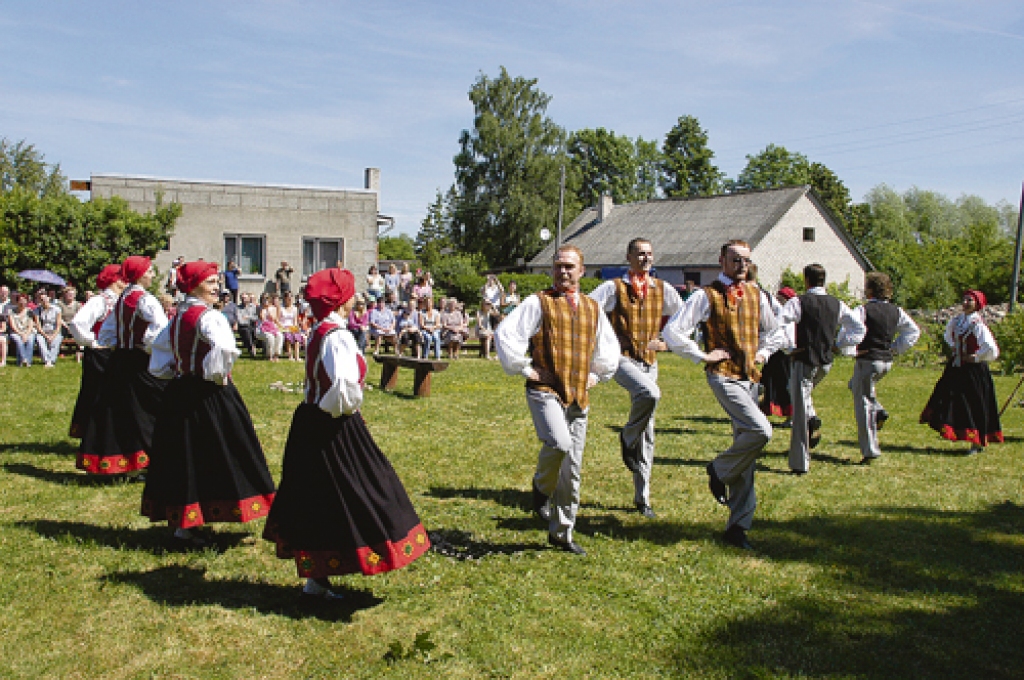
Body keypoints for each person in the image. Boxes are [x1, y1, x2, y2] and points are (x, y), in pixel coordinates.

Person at [263, 267, 430, 600]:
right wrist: (345, 413)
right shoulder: (336, 335)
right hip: (332, 423)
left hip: (312, 421)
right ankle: (340, 564)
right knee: (361, 490)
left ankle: (318, 577)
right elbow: (343, 385)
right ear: (342, 299)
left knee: (321, 498)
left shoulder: (321, 330)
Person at [496, 245, 619, 556]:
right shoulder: (539, 302)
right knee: (560, 444)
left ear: (582, 270)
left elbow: (608, 348)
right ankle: (541, 487)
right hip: (545, 391)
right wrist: (525, 368)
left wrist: (598, 374)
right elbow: (507, 334)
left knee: (572, 469)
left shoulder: (592, 308)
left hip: (579, 394)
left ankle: (562, 533)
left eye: (569, 267)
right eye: (558, 266)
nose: (563, 272)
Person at [143, 261, 276, 548]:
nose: (217, 287)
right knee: (221, 452)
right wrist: (213, 374)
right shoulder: (209, 317)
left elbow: (160, 354)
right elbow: (226, 349)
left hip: (180, 394)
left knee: (184, 458)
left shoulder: (178, 318)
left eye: (217, 282)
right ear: (193, 285)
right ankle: (203, 516)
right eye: (211, 282)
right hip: (209, 394)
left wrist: (177, 372)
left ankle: (185, 526)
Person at [663, 239, 783, 550]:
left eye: (745, 260)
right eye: (735, 259)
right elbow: (674, 331)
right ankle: (718, 469)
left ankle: (738, 526)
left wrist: (764, 354)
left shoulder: (757, 294)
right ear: (722, 261)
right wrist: (701, 356)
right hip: (724, 377)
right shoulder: (708, 295)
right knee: (761, 431)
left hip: (750, 377)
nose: (741, 265)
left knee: (747, 449)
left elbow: (775, 331)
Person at [589, 237, 684, 518]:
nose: (646, 259)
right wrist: (603, 342)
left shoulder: (662, 289)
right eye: (640, 254)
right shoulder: (614, 287)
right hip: (622, 359)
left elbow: (684, 318)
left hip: (649, 362)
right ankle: (627, 436)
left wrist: (667, 342)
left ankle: (643, 497)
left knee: (649, 430)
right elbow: (587, 310)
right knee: (650, 395)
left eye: (650, 254)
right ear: (628, 257)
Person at [77, 256, 169, 476]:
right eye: (149, 272)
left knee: (122, 410)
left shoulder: (123, 298)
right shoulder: (145, 299)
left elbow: (108, 330)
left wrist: (107, 344)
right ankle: (151, 460)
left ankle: (128, 461)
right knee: (150, 409)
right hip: (139, 361)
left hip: (121, 359)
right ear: (139, 274)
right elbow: (160, 331)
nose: (152, 275)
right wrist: (148, 348)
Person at [776, 264, 865, 474]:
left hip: (804, 358)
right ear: (823, 280)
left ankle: (800, 462)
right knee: (801, 394)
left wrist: (789, 348)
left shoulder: (798, 302)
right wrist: (840, 344)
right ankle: (811, 417)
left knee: (798, 408)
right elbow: (858, 328)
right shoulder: (837, 304)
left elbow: (779, 324)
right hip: (826, 361)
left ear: (806, 279)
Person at [847, 272, 920, 464]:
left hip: (869, 359)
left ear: (870, 289)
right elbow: (913, 332)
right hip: (885, 361)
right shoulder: (897, 311)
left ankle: (870, 450)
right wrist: (894, 348)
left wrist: (851, 350)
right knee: (855, 385)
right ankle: (878, 411)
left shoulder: (863, 310)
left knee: (863, 405)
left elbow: (849, 329)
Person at [920, 290, 1003, 453]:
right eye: (964, 299)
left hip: (974, 371)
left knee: (974, 403)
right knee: (946, 396)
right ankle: (953, 429)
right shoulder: (958, 321)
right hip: (957, 367)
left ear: (977, 304)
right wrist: (954, 347)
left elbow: (991, 349)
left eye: (969, 300)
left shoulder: (978, 325)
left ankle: (977, 442)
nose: (965, 302)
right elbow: (948, 336)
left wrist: (976, 357)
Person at [68, 265, 125, 438]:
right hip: (100, 355)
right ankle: (93, 433)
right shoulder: (100, 301)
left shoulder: (118, 300)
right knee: (96, 394)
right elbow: (77, 323)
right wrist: (92, 342)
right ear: (115, 280)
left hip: (112, 354)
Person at [759, 287, 798, 424]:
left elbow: (788, 336)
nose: (778, 300)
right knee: (767, 381)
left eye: (781, 298)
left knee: (784, 384)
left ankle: (792, 415)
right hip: (774, 353)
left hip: (784, 353)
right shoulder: (778, 314)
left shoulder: (788, 316)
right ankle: (765, 409)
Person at [34, 291, 63, 368]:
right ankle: (47, 360)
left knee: (56, 340)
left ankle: (51, 360)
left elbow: (58, 325)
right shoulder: (37, 310)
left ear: (49, 298)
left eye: (45, 299)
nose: (44, 301)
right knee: (40, 340)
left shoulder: (57, 309)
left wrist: (53, 336)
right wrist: (46, 336)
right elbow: (38, 326)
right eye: (41, 299)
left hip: (54, 332)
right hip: (43, 332)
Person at [8, 294, 37, 367]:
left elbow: (31, 324)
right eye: (20, 300)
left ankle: (26, 362)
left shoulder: (30, 311)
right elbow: (13, 325)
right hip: (16, 332)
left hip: (28, 331)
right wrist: (21, 334)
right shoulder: (11, 311)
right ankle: (24, 359)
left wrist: (26, 334)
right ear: (17, 301)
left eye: (24, 300)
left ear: (27, 302)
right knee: (18, 340)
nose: (22, 302)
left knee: (30, 340)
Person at [279, 292, 306, 361]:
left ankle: (297, 357)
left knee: (296, 336)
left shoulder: (295, 309)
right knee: (288, 336)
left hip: (292, 327)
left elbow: (295, 321)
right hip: (283, 327)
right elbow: (279, 320)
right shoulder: (281, 308)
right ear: (285, 299)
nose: (290, 299)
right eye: (288, 298)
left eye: (291, 298)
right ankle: (290, 356)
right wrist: (283, 327)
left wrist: (295, 328)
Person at [257, 294, 284, 361]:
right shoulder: (259, 308)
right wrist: (264, 309)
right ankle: (270, 355)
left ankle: (276, 354)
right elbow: (262, 318)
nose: (265, 300)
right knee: (270, 337)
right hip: (262, 328)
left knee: (279, 335)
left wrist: (269, 311)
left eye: (267, 299)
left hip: (272, 327)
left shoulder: (273, 308)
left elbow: (273, 318)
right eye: (264, 299)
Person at [236, 292, 259, 357]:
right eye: (242, 298)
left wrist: (247, 317)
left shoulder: (253, 307)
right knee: (246, 331)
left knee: (254, 330)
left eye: (245, 298)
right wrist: (250, 318)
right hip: (243, 327)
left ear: (249, 299)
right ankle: (251, 348)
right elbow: (240, 320)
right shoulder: (238, 308)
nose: (244, 299)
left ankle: (252, 347)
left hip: (252, 325)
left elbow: (256, 318)